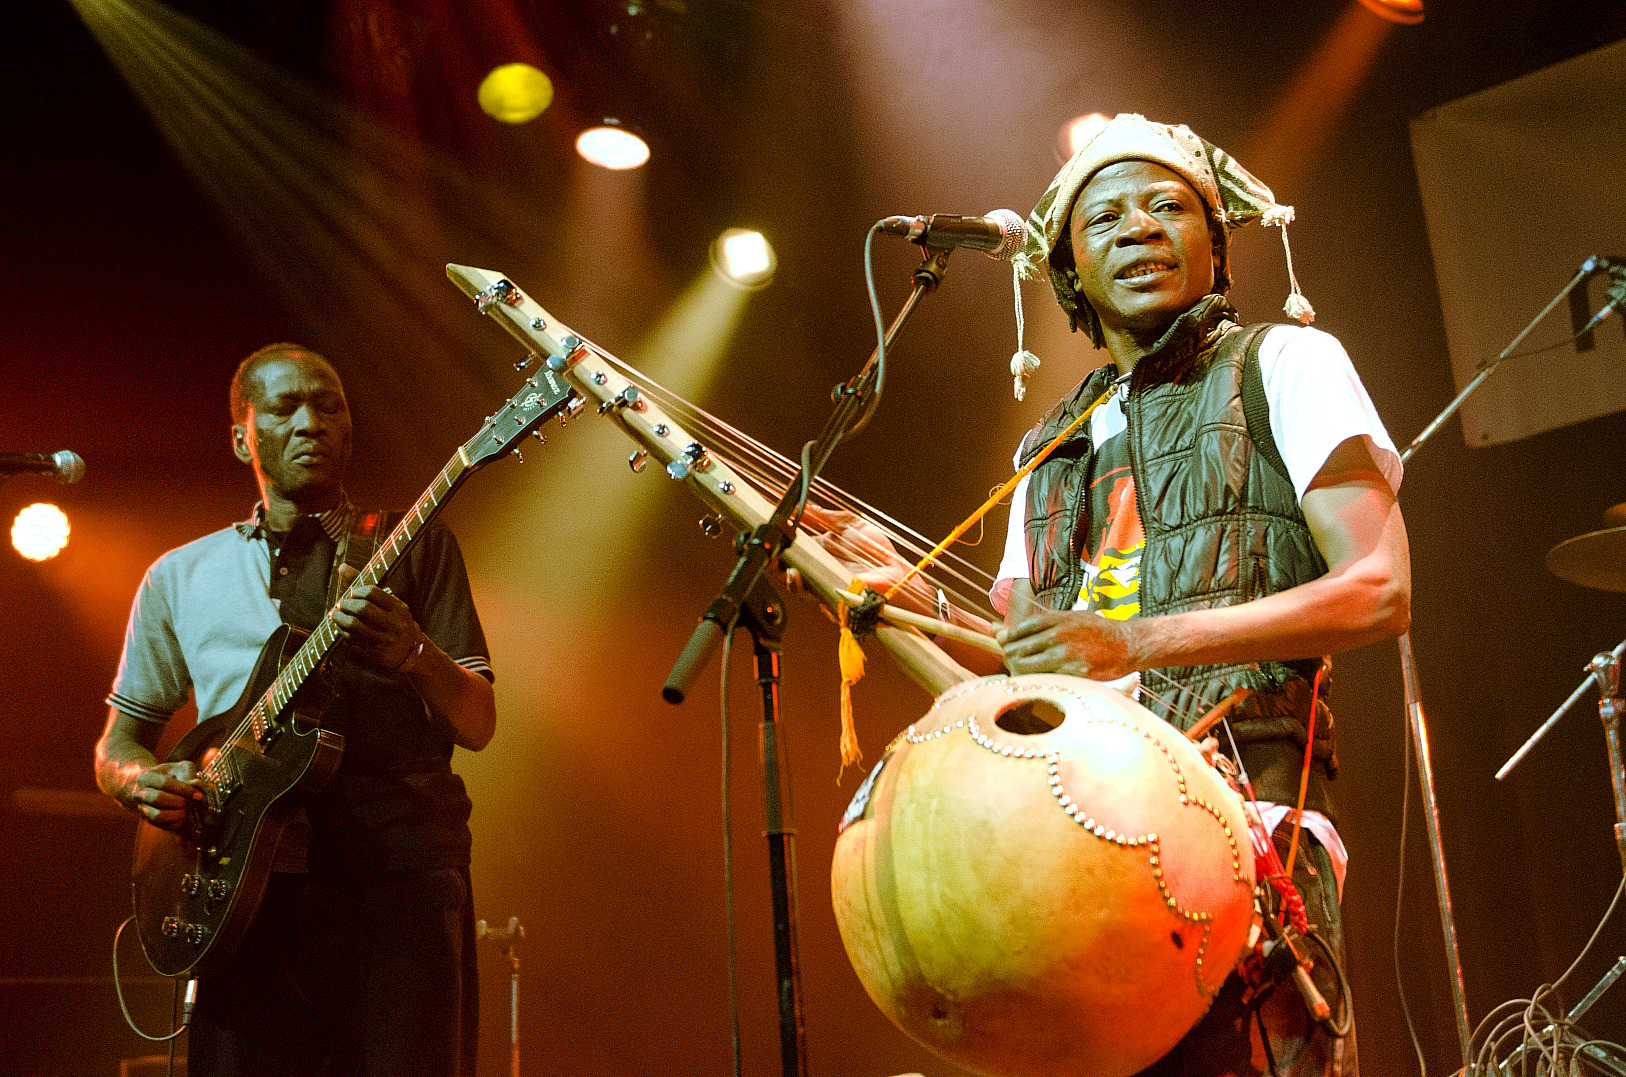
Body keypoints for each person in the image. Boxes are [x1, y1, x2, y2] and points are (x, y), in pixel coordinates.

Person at [814, 115, 1409, 1077]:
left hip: (1245, 813)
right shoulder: (1049, 442)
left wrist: (1135, 645)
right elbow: (1029, 662)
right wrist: (904, 591)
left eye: (1167, 206)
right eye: (1104, 219)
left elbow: (1380, 589)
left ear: (1216, 246)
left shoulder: (1285, 364)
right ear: (1069, 273)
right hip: (1067, 853)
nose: (1138, 228)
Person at [94, 343, 496, 1076]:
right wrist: (136, 781)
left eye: (329, 404)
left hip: (397, 884)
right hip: (244, 898)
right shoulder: (178, 576)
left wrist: (412, 650)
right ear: (241, 436)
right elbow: (120, 741)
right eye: (285, 407)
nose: (311, 421)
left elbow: (478, 721)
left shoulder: (415, 546)